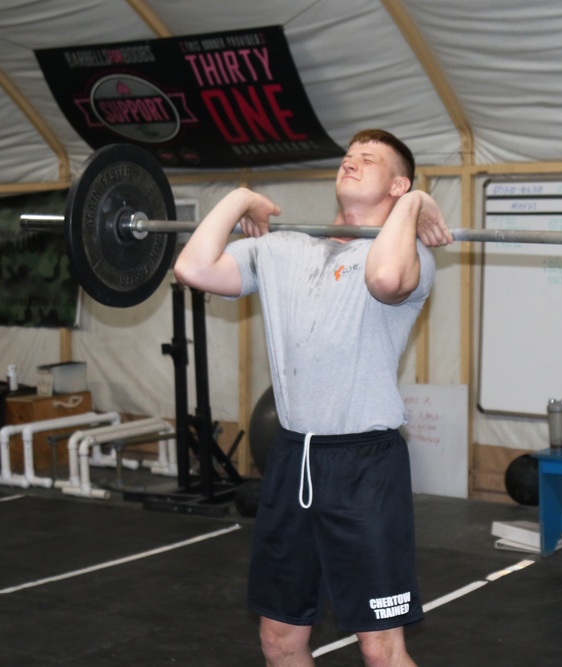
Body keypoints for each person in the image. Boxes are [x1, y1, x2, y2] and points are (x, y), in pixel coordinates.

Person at [174, 129, 453, 667]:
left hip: (365, 467)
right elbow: (193, 268)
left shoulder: (412, 255)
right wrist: (239, 199)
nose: (350, 163)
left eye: (368, 159)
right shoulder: (282, 249)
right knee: (280, 639)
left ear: (398, 184)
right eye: (348, 156)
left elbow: (385, 277)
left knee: (381, 648)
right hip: (291, 460)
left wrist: (414, 205)